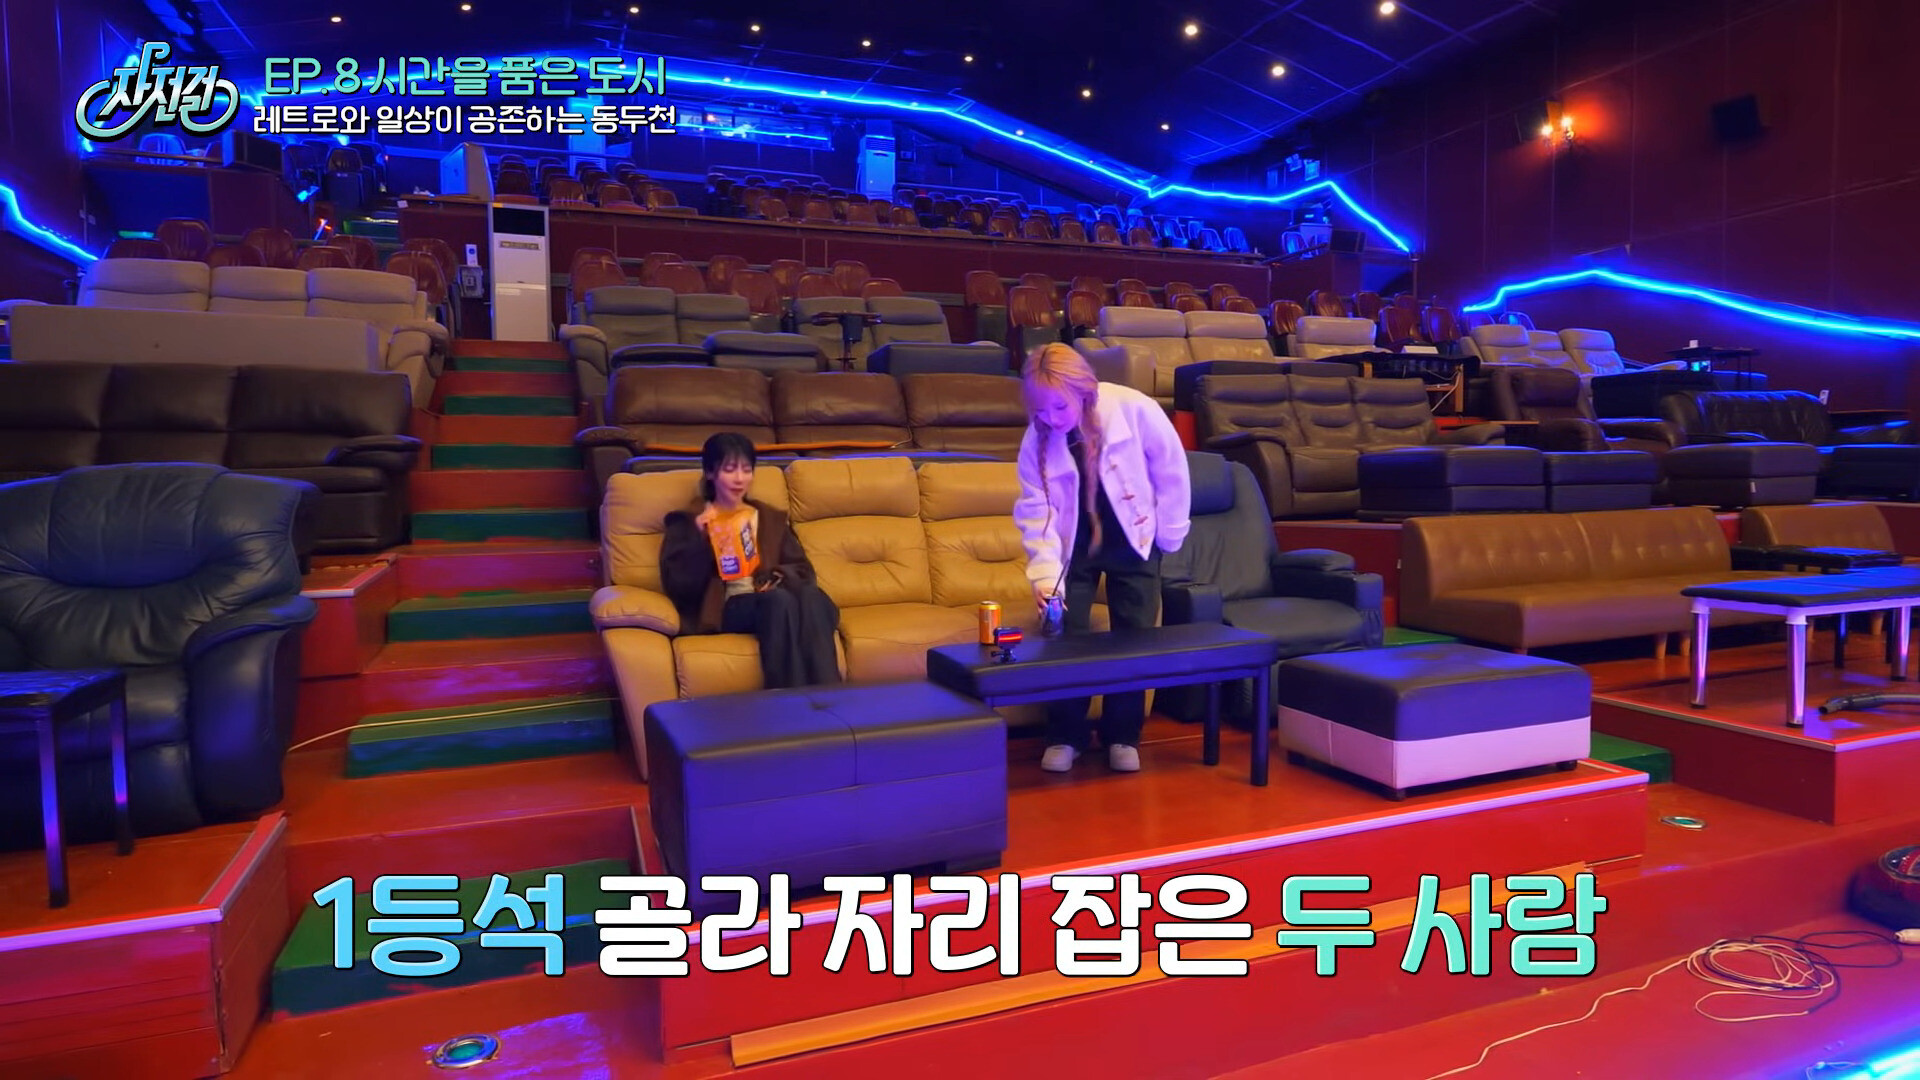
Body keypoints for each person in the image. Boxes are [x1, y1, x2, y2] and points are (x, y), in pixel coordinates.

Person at [1014, 343, 1191, 774]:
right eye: (1041, 410)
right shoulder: (1036, 438)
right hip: (1073, 547)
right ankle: (1065, 735)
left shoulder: (1134, 407)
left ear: (1084, 390)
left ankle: (1122, 735)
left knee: (1134, 637)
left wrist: (1169, 532)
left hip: (1134, 538)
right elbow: (1036, 509)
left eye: (1060, 407)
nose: (1052, 418)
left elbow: (1171, 470)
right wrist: (1044, 574)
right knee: (1065, 638)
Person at [658, 433, 842, 689]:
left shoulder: (768, 517)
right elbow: (678, 586)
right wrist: (700, 539)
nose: (739, 478)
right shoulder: (690, 520)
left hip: (773, 597)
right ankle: (790, 701)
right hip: (729, 606)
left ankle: (831, 696)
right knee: (779, 602)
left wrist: (774, 576)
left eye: (746, 470)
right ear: (710, 473)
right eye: (730, 470)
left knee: (812, 596)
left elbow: (803, 570)